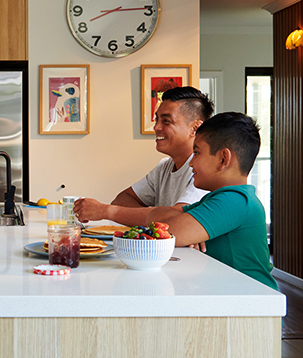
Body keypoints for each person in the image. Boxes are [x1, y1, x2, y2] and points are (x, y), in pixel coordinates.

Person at [146, 112, 278, 290]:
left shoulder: (235, 200)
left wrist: (185, 229)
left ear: (224, 158)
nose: (191, 163)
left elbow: (172, 231)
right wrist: (186, 227)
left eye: (197, 153)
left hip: (251, 308)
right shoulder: (216, 198)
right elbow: (168, 217)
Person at [73, 86, 213, 226]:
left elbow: (178, 219)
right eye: (156, 119)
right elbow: (122, 200)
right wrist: (157, 217)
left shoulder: (204, 170)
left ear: (195, 128)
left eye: (166, 121)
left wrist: (106, 211)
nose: (156, 127)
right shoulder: (164, 166)